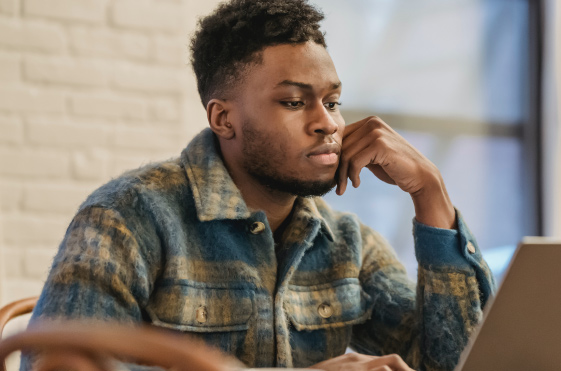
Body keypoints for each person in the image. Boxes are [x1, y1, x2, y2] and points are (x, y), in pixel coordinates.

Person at [22, 0, 495, 370]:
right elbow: (60, 367)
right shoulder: (128, 215)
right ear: (223, 118)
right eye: (294, 102)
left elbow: (457, 364)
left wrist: (431, 195)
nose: (327, 124)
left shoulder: (347, 244)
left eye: (333, 101)